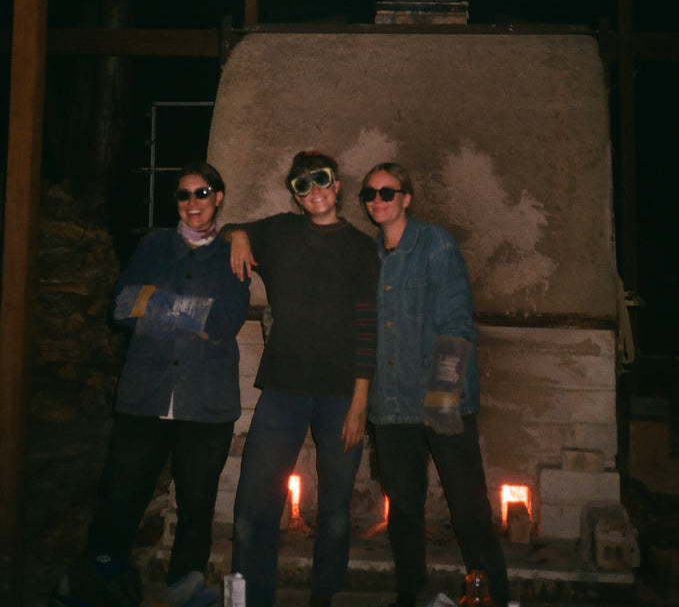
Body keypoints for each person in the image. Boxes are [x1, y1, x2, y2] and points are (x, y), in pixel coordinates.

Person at [53, 161, 250, 607]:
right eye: (183, 195)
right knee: (120, 496)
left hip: (206, 404)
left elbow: (224, 321)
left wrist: (155, 304)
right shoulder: (153, 245)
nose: (192, 203)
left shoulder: (232, 254)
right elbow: (122, 306)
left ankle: (185, 588)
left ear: (218, 197)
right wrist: (190, 311)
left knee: (197, 507)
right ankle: (99, 581)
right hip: (145, 397)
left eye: (202, 193)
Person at [225, 150, 380, 607]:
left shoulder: (360, 247)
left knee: (334, 510)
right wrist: (237, 234)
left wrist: (359, 404)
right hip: (282, 390)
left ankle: (324, 597)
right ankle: (252, 600)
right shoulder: (279, 232)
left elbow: (368, 329)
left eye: (322, 179)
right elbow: (234, 228)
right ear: (295, 195)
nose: (314, 190)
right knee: (254, 506)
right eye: (302, 184)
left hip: (340, 396)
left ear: (337, 185)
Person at [360, 162, 510, 607]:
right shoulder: (369, 257)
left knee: (468, 508)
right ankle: (410, 593)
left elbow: (457, 323)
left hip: (441, 401)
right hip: (390, 404)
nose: (377, 201)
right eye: (369, 193)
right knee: (403, 507)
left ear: (406, 198)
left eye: (388, 192)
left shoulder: (435, 245)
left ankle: (490, 594)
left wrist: (442, 400)